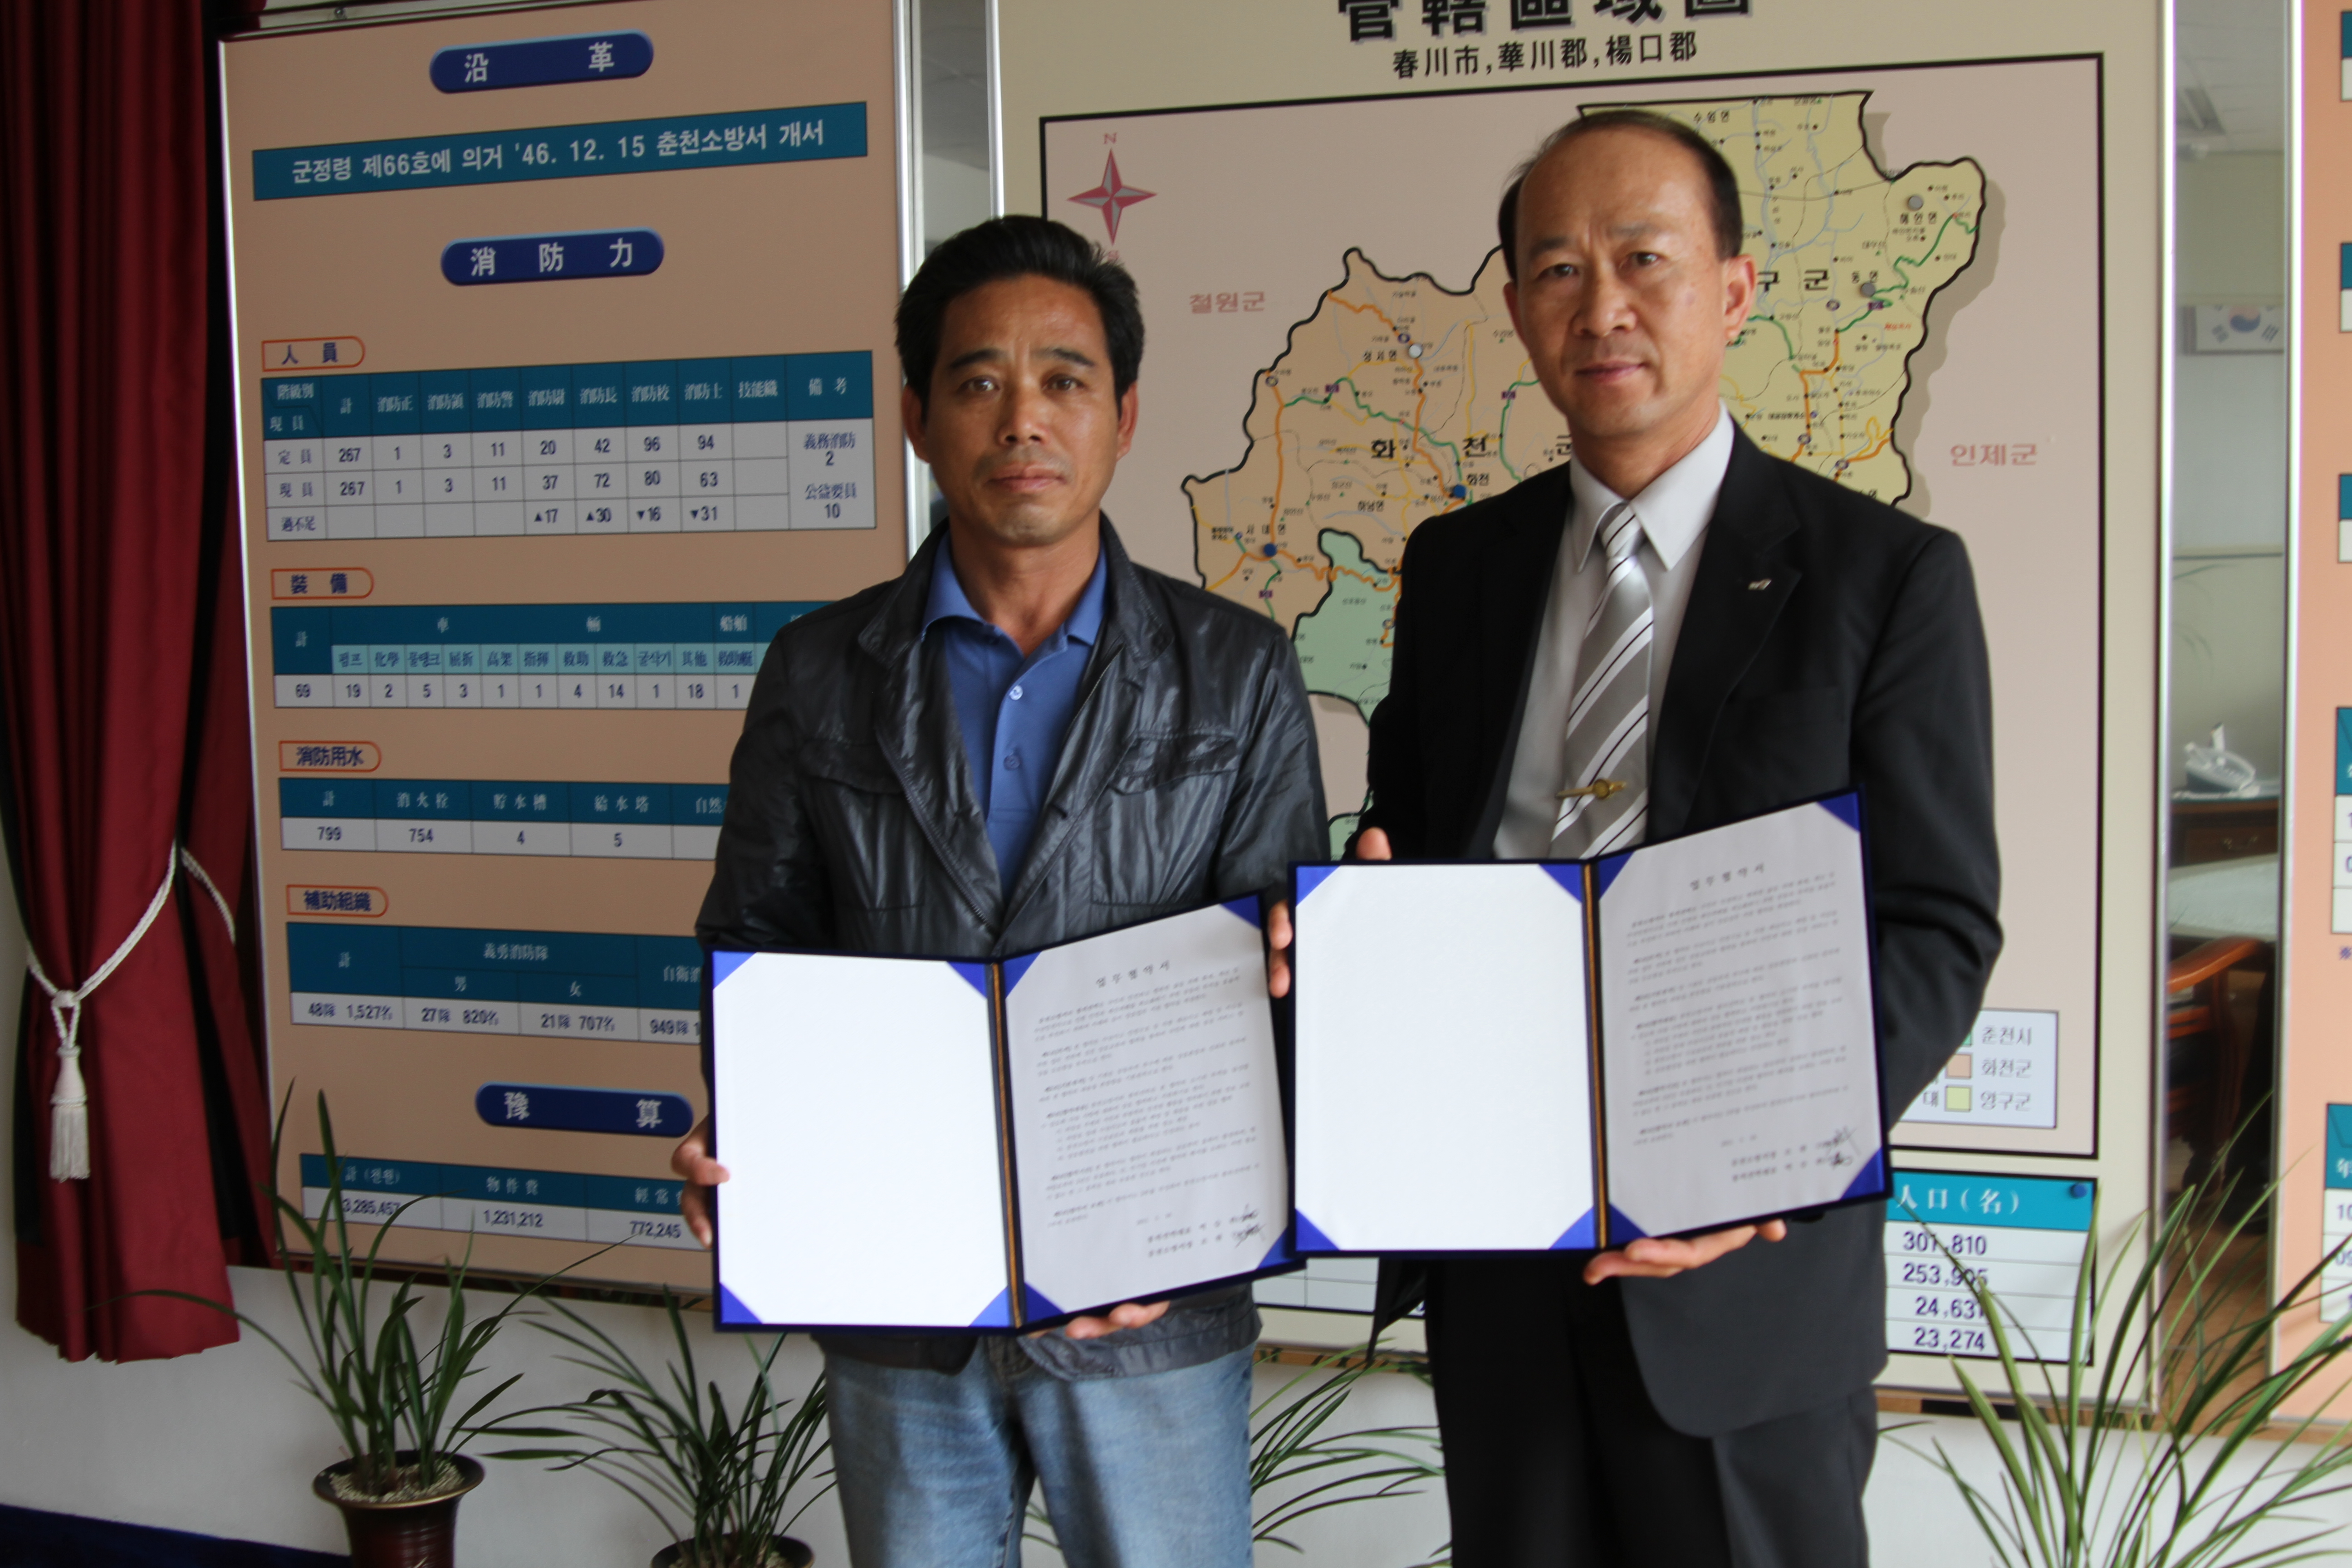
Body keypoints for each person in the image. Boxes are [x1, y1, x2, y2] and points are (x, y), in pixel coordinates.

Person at [1352, 111, 2003, 1567]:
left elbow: (1937, 924)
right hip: (1498, 1246)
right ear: (1517, 306)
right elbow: (1417, 838)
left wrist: (1762, 1162)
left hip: (1746, 1275)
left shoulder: (1884, 576)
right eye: (1558, 269)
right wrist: (1364, 914)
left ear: (1735, 288)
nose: (1602, 307)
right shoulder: (1457, 568)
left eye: (1644, 259)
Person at [671, 215, 1327, 1568]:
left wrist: (1177, 1227)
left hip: (1152, 1309)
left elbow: (1280, 979)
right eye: (978, 381)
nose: (1023, 417)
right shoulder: (817, 672)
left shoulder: (1240, 667)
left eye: (1065, 380)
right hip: (902, 1298)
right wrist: (749, 1127)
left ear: (1124, 416)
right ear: (917, 416)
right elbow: (759, 941)